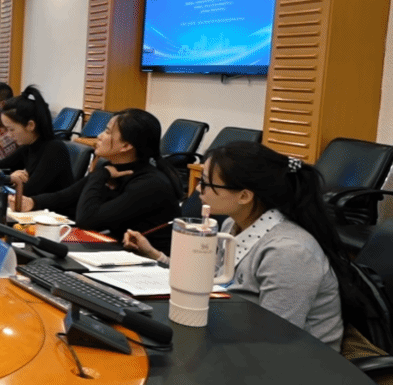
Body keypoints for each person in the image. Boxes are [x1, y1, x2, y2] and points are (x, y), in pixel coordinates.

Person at [124, 142, 352, 350]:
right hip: (237, 335)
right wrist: (155, 255)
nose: (198, 190)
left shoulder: (289, 252)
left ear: (244, 196)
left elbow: (277, 337)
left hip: (294, 362)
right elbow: (209, 279)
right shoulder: (232, 225)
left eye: (206, 183)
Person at [16, 108, 181, 251]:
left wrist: (99, 175)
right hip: (113, 248)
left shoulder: (149, 183)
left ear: (126, 146)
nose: (100, 136)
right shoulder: (112, 168)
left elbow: (86, 220)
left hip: (148, 263)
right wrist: (33, 202)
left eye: (108, 132)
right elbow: (68, 196)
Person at [0, 86, 73, 197]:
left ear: (30, 125)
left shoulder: (55, 149)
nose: (8, 135)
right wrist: (11, 177)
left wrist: (10, 179)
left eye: (11, 129)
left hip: (50, 208)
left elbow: (28, 191)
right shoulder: (28, 147)